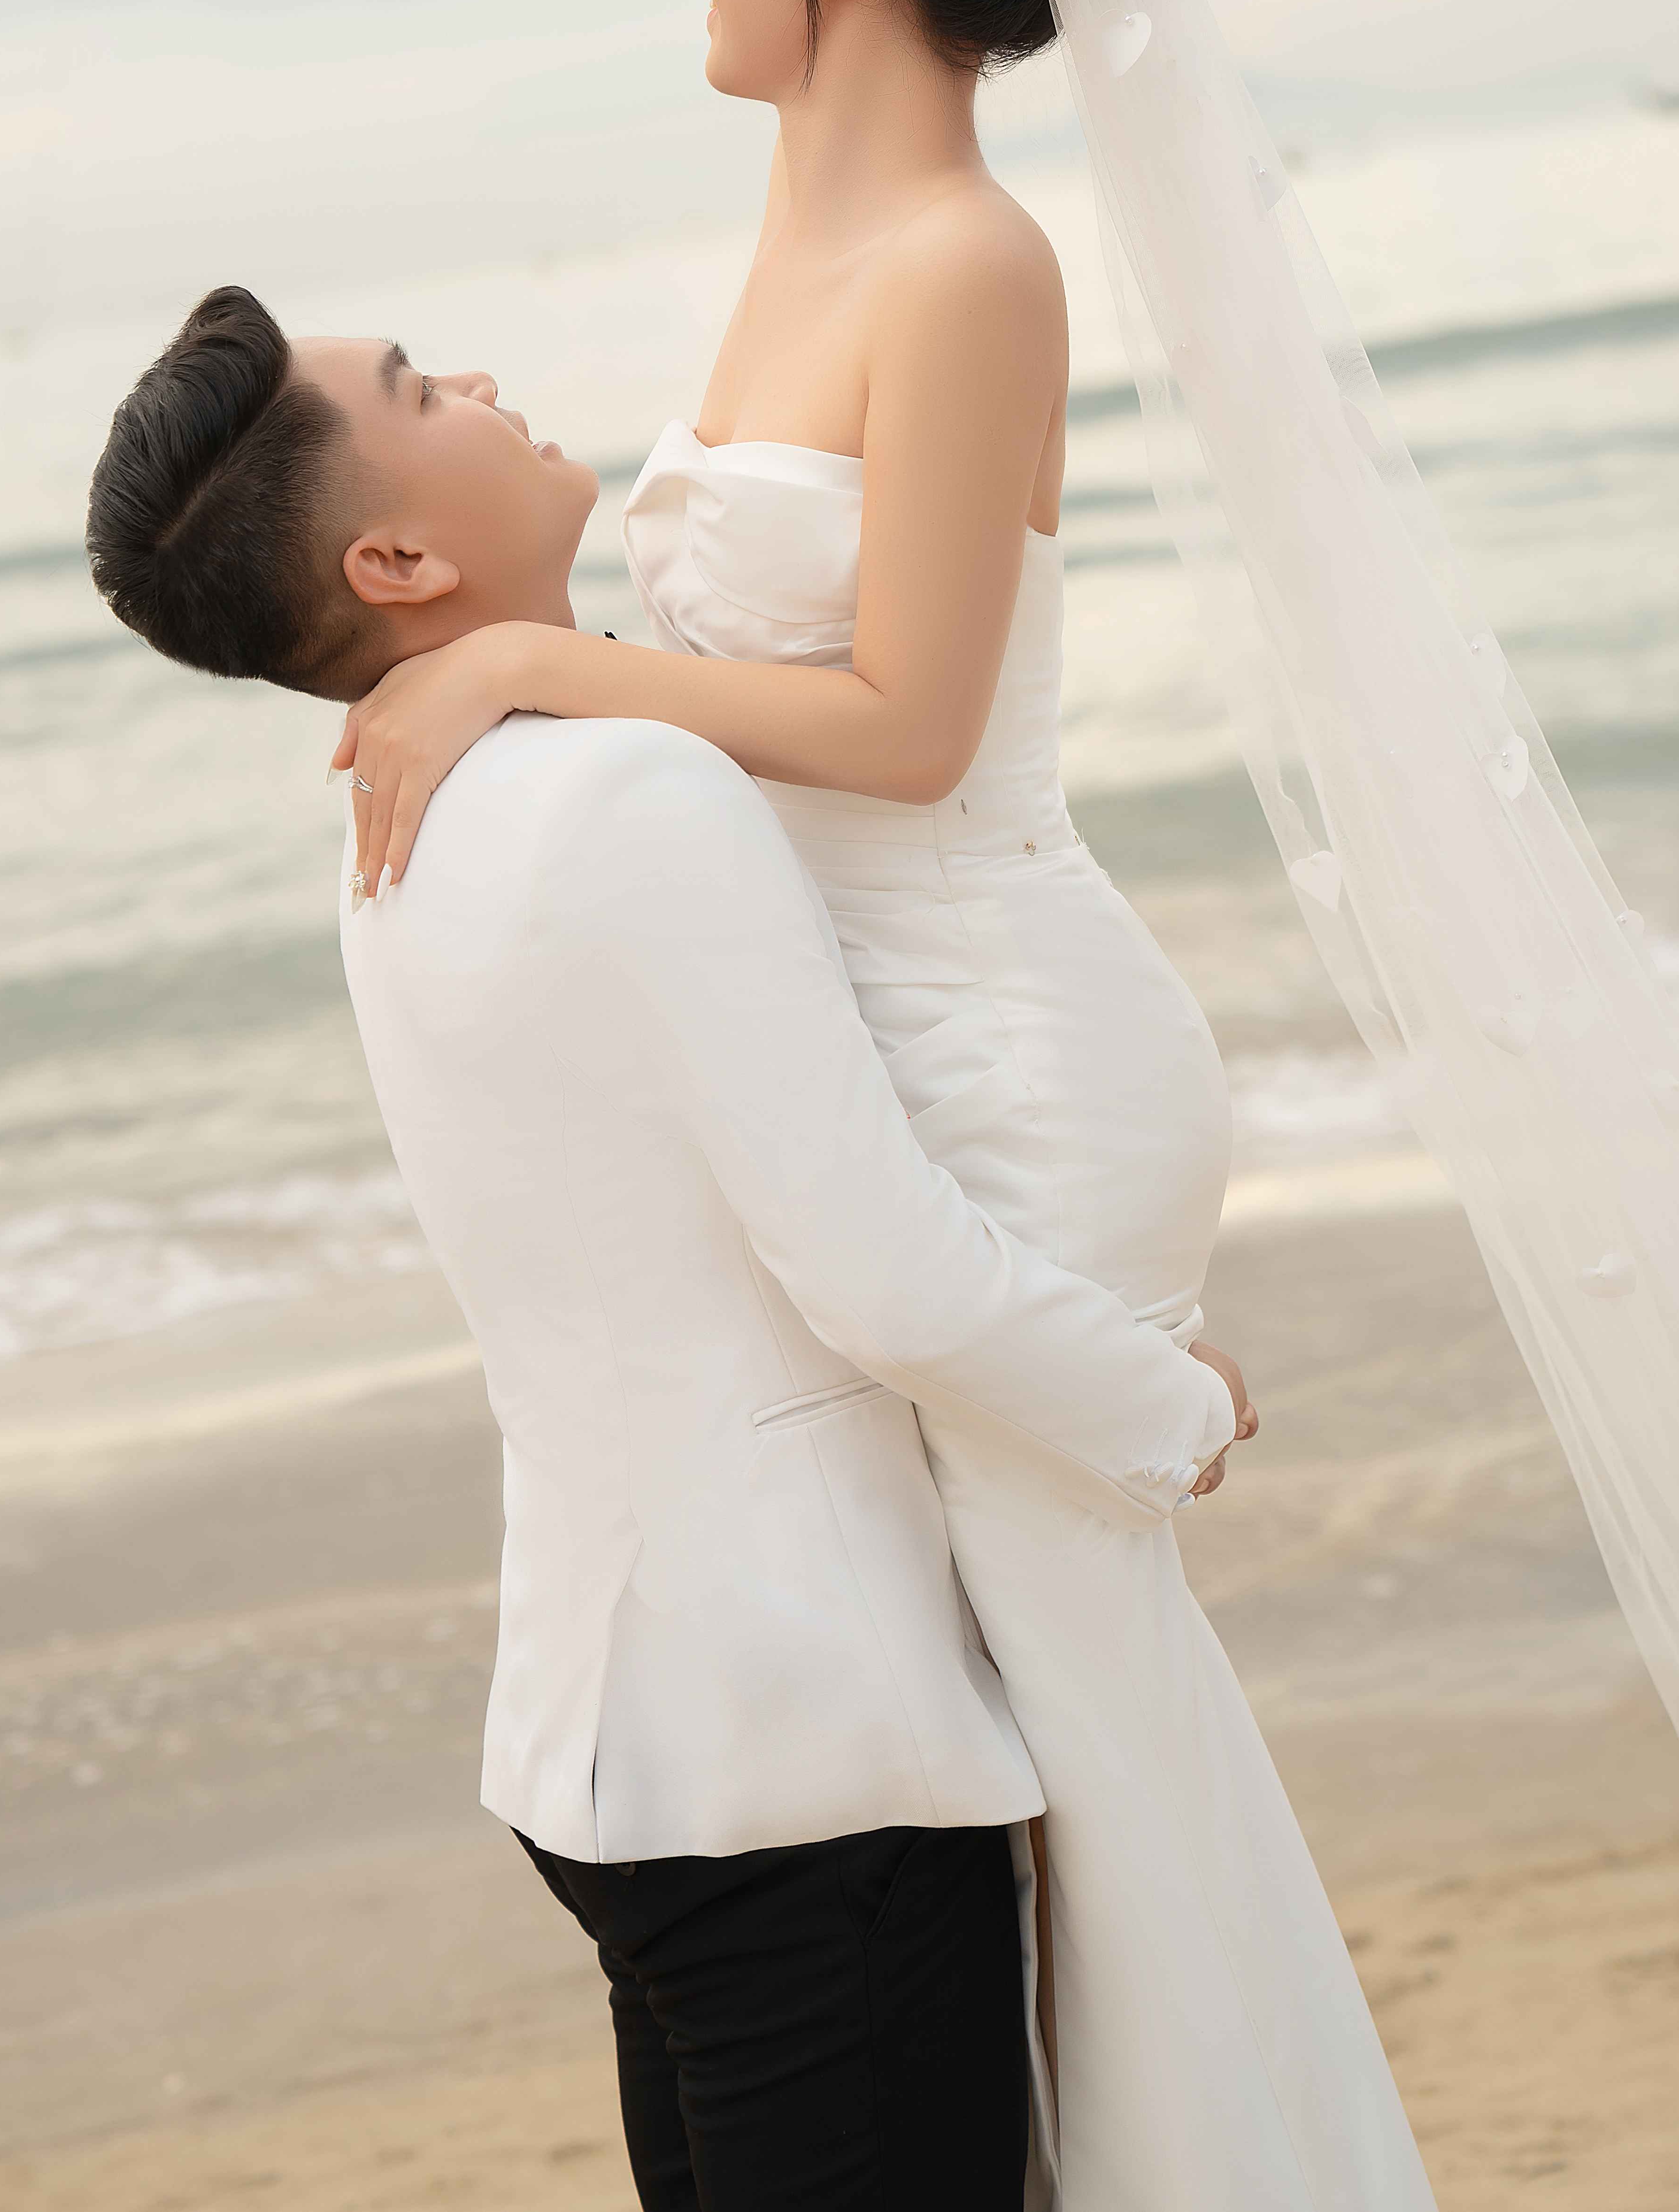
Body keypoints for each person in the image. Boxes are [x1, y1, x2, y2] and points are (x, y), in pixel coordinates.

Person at [326, 0, 1439, 2206]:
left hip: (997, 1038)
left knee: (1065, 1747)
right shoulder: (815, 181)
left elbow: (914, 722)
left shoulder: (958, 262)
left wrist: (517, 657)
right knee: (970, 1755)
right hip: (889, 1031)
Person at [85, 285, 1253, 2212]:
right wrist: (1166, 1402)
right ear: (394, 555)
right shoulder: (625, 783)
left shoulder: (420, 806)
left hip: (619, 1738)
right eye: (412, 390)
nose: (468, 375)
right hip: (799, 1753)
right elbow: (878, 1268)